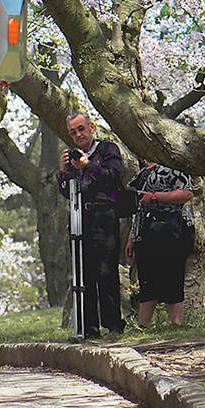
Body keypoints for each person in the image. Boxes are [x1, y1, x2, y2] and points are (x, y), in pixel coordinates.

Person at [57, 113, 130, 340]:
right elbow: (65, 191)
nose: (78, 135)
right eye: (73, 132)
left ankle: (113, 325)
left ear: (91, 128)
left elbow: (115, 176)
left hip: (104, 215)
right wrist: (63, 172)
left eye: (81, 129)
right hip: (81, 217)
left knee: (106, 270)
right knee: (82, 272)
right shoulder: (72, 156)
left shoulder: (108, 150)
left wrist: (88, 165)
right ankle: (88, 328)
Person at [127, 159, 196, 327]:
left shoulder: (172, 166)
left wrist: (155, 197)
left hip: (171, 229)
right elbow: (137, 208)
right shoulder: (143, 171)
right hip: (144, 232)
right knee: (147, 279)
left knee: (172, 276)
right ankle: (142, 326)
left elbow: (187, 194)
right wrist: (131, 237)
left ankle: (176, 324)